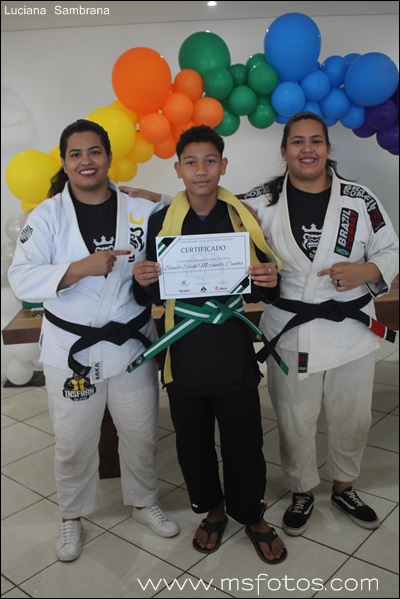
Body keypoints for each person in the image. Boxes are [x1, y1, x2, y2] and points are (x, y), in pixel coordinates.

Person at [124, 112, 399, 538]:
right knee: (294, 417)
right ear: (284, 151)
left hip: (351, 326)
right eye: (297, 142)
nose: (307, 149)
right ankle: (302, 489)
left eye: (316, 141)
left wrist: (367, 271)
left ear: (328, 148)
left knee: (353, 415)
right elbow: (205, 201)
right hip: (290, 326)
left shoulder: (360, 199)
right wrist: (156, 200)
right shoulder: (260, 201)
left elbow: (391, 248)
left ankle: (345, 486)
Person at [8, 119, 179, 563]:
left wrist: (157, 196)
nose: (86, 161)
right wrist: (79, 268)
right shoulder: (47, 216)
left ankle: (143, 501)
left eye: (94, 152)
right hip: (72, 349)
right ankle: (72, 514)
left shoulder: (139, 209)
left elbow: (188, 207)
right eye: (76, 154)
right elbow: (21, 277)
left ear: (108, 157)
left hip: (130, 342)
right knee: (73, 440)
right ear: (64, 163)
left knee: (141, 432)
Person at [131, 124, 288, 564]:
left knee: (245, 440)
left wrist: (269, 278)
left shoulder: (243, 217)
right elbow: (150, 293)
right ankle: (212, 509)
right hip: (183, 348)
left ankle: (251, 514)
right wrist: (141, 279)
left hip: (230, 346)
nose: (201, 170)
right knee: (192, 441)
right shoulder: (161, 221)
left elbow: (265, 286)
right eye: (191, 162)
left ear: (223, 165)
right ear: (178, 169)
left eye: (210, 161)